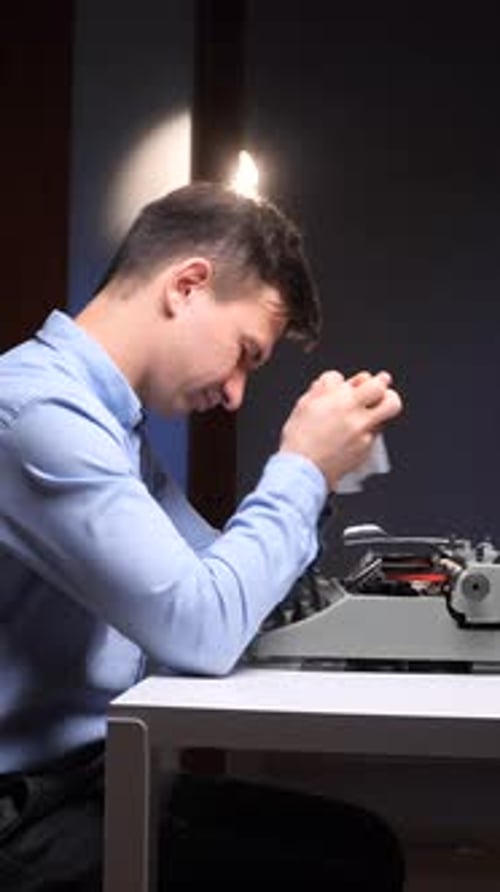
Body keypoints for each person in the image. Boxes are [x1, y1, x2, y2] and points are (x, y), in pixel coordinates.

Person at [0, 182, 404, 891]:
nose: (237, 392)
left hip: (92, 777)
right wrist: (302, 468)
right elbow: (201, 624)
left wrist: (318, 479)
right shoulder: (36, 413)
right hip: (24, 810)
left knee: (361, 847)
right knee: (344, 869)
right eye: (245, 353)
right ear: (187, 285)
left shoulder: (107, 422)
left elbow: (215, 576)